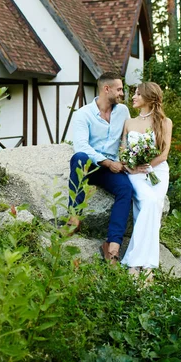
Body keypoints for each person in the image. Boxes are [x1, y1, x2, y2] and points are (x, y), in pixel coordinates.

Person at [68, 72, 133, 263]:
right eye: (119, 89)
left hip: (110, 170)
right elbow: (81, 146)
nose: (122, 93)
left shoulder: (123, 112)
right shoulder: (83, 114)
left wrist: (127, 160)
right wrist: (107, 162)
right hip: (90, 165)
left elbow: (126, 140)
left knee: (126, 189)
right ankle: (74, 219)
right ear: (107, 89)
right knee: (78, 157)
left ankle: (112, 245)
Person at [120, 82, 172, 283]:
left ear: (149, 98)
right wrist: (131, 167)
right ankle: (142, 265)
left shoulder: (165, 122)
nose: (133, 97)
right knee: (149, 201)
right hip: (135, 173)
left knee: (153, 207)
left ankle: (140, 264)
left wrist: (148, 165)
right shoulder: (129, 123)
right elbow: (124, 151)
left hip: (158, 171)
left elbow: (165, 153)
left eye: (137, 94)